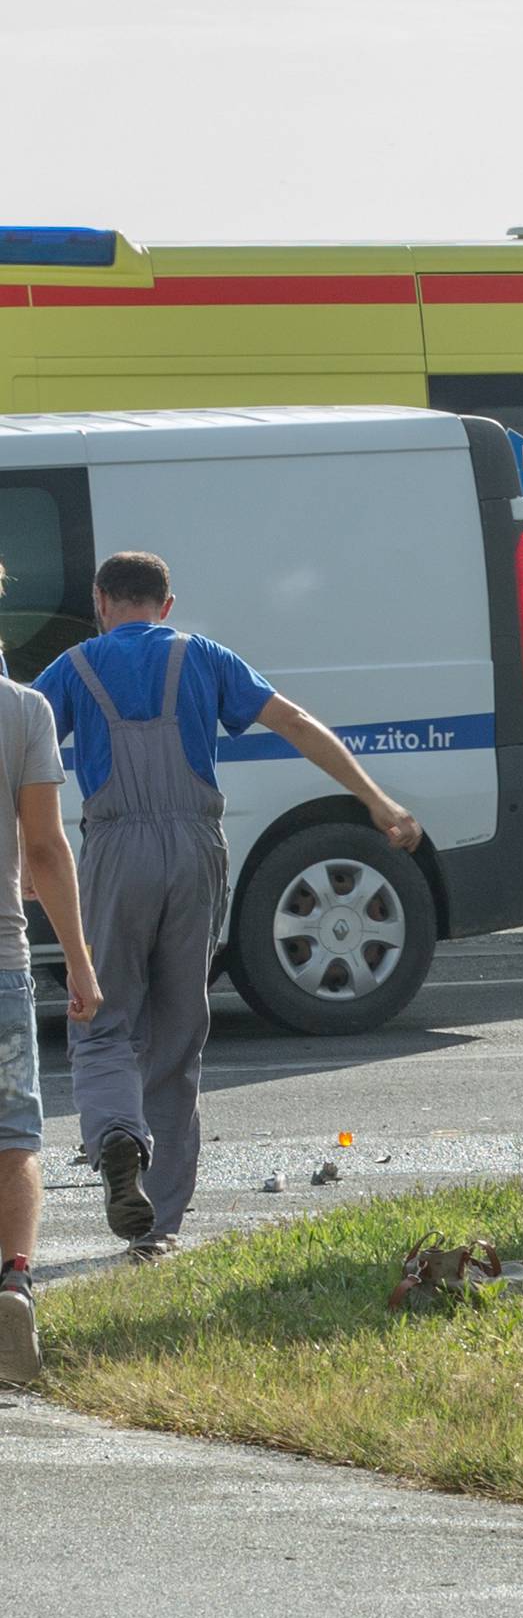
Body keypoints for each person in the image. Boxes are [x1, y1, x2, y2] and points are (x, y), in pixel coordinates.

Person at [34, 551, 422, 1256]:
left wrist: (22, 856)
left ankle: (118, 1135)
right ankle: (159, 1230)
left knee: (103, 1015)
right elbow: (297, 722)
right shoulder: (204, 658)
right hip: (195, 852)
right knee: (179, 1031)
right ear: (167, 605)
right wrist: (378, 800)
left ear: (100, 600)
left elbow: (17, 753)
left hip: (115, 849)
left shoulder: (73, 668)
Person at [0, 561, 103, 1386]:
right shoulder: (24, 709)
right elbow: (42, 849)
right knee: (12, 1140)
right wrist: (78, 959)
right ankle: (15, 1280)